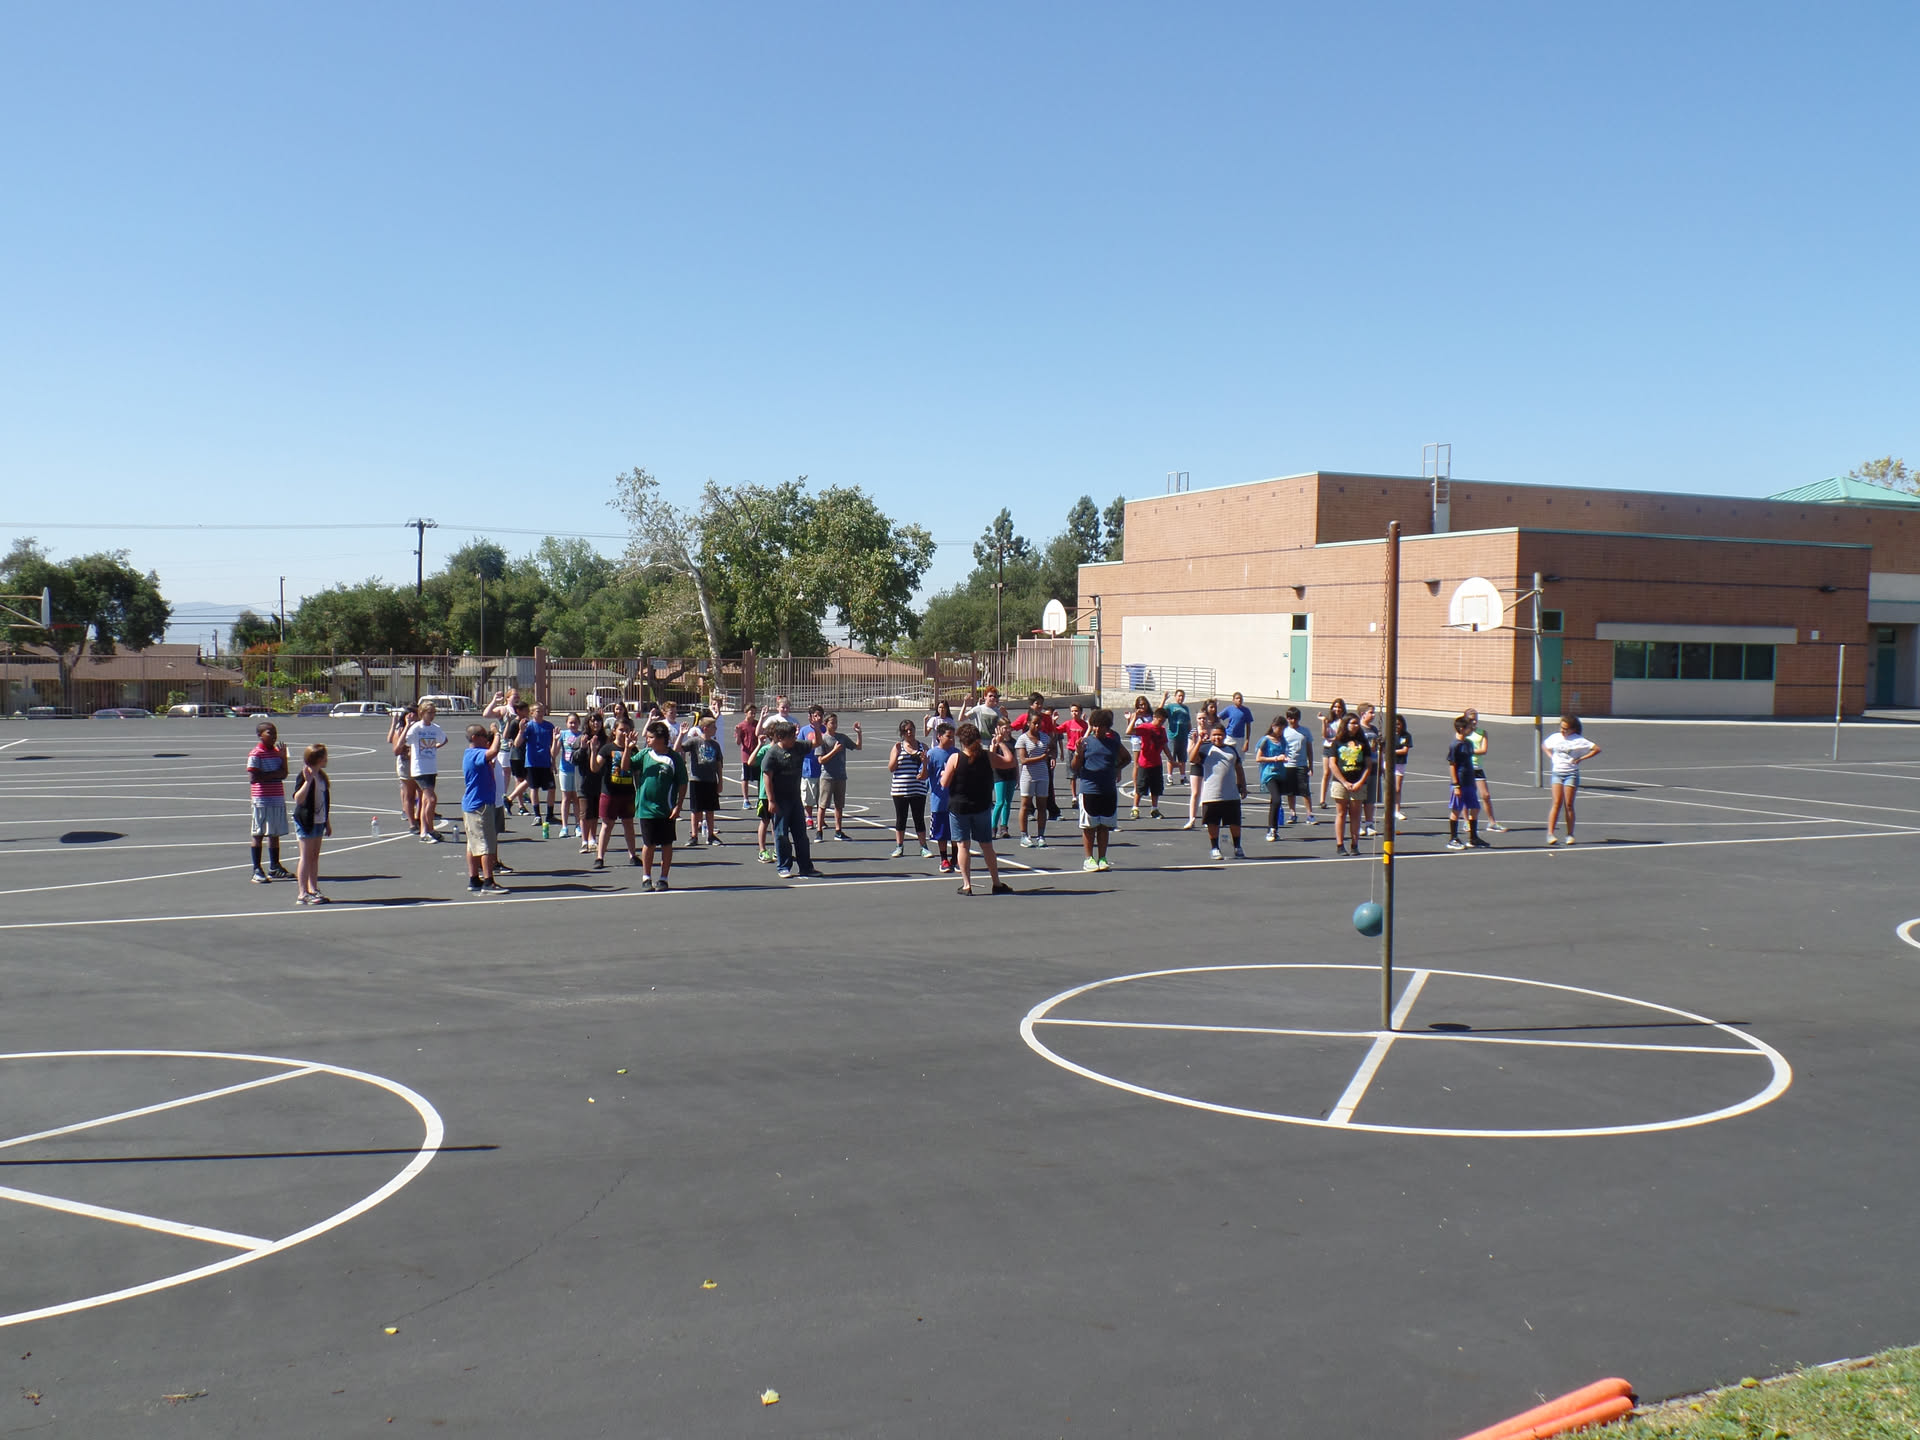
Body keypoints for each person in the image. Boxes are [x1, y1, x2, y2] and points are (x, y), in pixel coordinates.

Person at [942, 722, 1010, 895]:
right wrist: (1002, 743)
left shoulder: (955, 758)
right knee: (987, 846)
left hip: (960, 808)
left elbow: (944, 783)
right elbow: (1010, 762)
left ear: (962, 741)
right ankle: (996, 883)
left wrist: (944, 773)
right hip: (981, 806)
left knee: (963, 845)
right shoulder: (987, 756)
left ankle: (967, 885)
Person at [1071, 707, 1130, 871]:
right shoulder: (1085, 742)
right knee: (1089, 827)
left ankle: (1102, 858)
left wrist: (1117, 769)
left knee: (1104, 826)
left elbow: (1127, 758)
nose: (1097, 729)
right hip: (1089, 790)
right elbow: (1075, 767)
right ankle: (1089, 859)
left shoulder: (1113, 743)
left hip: (1108, 790)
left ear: (1107, 727)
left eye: (1101, 726)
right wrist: (1078, 754)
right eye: (1095, 725)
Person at [760, 719, 821, 879]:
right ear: (780, 737)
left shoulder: (798, 746)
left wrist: (816, 728)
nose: (794, 739)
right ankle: (783, 866)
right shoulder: (773, 754)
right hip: (780, 800)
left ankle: (806, 867)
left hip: (795, 799)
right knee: (781, 834)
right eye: (791, 737)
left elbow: (817, 743)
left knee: (801, 835)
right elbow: (767, 777)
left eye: (794, 736)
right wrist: (771, 801)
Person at [635, 720, 686, 891]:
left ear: (661, 738)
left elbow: (682, 783)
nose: (647, 740)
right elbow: (627, 765)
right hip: (646, 808)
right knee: (649, 844)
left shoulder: (674, 758)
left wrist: (678, 806)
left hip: (666, 809)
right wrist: (627, 748)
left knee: (666, 843)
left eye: (651, 737)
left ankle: (663, 878)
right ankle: (646, 877)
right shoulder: (645, 754)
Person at [461, 721, 509, 893]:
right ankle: (489, 881)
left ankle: (474, 879)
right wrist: (497, 734)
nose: (487, 739)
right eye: (484, 736)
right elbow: (494, 751)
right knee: (486, 844)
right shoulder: (475, 753)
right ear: (475, 737)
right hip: (480, 805)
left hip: (474, 804)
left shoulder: (473, 754)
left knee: (473, 844)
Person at [1190, 720, 1248, 860]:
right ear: (1210, 736)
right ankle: (1215, 848)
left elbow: (1238, 768)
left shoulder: (1231, 749)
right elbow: (1192, 759)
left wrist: (1242, 785)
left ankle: (1237, 846)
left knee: (1235, 822)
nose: (1217, 737)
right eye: (1214, 735)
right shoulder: (1205, 749)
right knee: (1213, 823)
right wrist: (1199, 742)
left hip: (1231, 794)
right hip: (1212, 794)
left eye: (1220, 735)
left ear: (1224, 735)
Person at [246, 720, 293, 884]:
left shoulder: (277, 752)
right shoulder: (256, 753)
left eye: (275, 732)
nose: (274, 736)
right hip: (262, 798)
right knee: (258, 832)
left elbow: (284, 773)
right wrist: (275, 774)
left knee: (274, 833)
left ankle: (274, 866)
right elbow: (254, 777)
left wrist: (283, 759)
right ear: (260, 735)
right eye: (269, 733)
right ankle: (257, 869)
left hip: (276, 796)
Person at [1542, 715, 1600, 845]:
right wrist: (1551, 756)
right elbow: (1544, 745)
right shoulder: (1555, 737)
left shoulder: (1578, 740)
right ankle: (1550, 834)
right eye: (1561, 728)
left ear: (1573, 729)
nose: (1562, 731)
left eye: (1566, 729)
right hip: (1557, 773)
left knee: (1568, 804)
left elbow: (1596, 749)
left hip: (1571, 774)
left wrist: (1580, 759)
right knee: (1556, 802)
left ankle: (1570, 834)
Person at [593, 717, 641, 869]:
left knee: (629, 825)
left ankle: (632, 855)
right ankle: (600, 857)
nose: (624, 733)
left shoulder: (634, 749)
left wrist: (639, 792)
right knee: (607, 825)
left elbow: (637, 773)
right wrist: (593, 751)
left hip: (627, 793)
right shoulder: (607, 749)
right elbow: (595, 767)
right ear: (614, 731)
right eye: (621, 730)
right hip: (610, 792)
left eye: (627, 730)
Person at [1324, 715, 1374, 858]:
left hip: (1358, 782)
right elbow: (1332, 764)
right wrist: (1344, 782)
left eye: (1357, 723)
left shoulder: (1363, 743)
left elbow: (1368, 765)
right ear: (1346, 725)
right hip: (1340, 782)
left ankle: (1354, 844)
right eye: (1352, 723)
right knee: (1341, 813)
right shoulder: (1338, 742)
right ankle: (1340, 844)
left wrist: (1360, 782)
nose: (1355, 725)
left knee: (1356, 814)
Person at [290, 743, 332, 904]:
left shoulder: (321, 776)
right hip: (306, 821)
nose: (327, 759)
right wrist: (307, 782)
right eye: (324, 757)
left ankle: (313, 888)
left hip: (319, 821)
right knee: (306, 857)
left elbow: (324, 801)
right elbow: (298, 799)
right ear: (317, 759)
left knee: (314, 856)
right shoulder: (304, 775)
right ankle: (302, 893)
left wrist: (327, 822)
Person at [403, 701, 450, 842]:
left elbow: (444, 739)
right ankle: (430, 828)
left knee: (425, 801)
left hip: (431, 767)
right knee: (431, 799)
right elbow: (406, 741)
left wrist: (435, 746)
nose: (432, 715)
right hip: (420, 768)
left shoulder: (435, 728)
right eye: (429, 713)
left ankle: (424, 831)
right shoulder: (416, 728)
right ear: (422, 713)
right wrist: (408, 725)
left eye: (434, 712)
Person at [886, 719, 932, 859]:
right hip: (900, 789)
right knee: (901, 818)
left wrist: (925, 762)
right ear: (902, 733)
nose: (909, 732)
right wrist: (897, 755)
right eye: (906, 730)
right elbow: (891, 768)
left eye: (911, 729)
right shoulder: (897, 747)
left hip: (918, 789)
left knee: (919, 818)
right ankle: (899, 846)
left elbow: (927, 771)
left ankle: (923, 847)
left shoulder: (923, 747)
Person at [813, 714, 862, 841]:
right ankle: (819, 831)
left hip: (840, 776)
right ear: (825, 724)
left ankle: (838, 831)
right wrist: (834, 751)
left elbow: (858, 747)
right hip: (827, 777)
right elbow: (821, 760)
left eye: (836, 722)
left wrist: (858, 733)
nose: (834, 725)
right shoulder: (822, 740)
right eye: (832, 723)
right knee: (823, 805)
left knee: (839, 805)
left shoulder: (842, 738)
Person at [682, 713, 724, 847]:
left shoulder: (715, 745)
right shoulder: (695, 741)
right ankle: (694, 836)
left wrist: (720, 781)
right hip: (697, 780)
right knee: (696, 810)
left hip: (710, 780)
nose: (715, 729)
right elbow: (679, 748)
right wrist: (681, 735)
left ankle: (711, 835)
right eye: (713, 727)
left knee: (710, 809)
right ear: (705, 728)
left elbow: (718, 764)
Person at [1015, 711, 1054, 847]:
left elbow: (1052, 748)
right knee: (1025, 806)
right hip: (1028, 776)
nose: (1037, 726)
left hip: (1043, 775)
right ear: (1028, 723)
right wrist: (1042, 758)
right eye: (1034, 723)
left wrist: (1052, 756)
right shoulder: (1023, 739)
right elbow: (1023, 760)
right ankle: (1024, 835)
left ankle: (1041, 835)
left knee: (1042, 806)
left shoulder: (1045, 737)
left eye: (1039, 723)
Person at [1446, 714, 1485, 851]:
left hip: (1469, 781)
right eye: (1469, 727)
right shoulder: (1455, 745)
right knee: (1456, 810)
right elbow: (1452, 765)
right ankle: (1453, 838)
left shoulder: (1468, 743)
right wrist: (1456, 784)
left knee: (1475, 808)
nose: (1472, 729)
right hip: (1460, 782)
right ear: (1462, 729)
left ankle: (1473, 838)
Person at [1463, 708, 1506, 833]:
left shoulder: (1482, 733)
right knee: (1466, 795)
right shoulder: (1463, 733)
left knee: (1485, 795)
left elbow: (1483, 750)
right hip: (1466, 767)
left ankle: (1492, 822)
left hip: (1478, 768)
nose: (1474, 722)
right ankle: (1466, 821)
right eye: (1471, 719)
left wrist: (1469, 751)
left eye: (1476, 719)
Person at [925, 720, 958, 874]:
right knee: (942, 832)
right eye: (948, 736)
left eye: (953, 737)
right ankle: (944, 859)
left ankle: (956, 858)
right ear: (939, 736)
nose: (951, 739)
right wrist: (924, 763)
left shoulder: (957, 753)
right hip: (939, 800)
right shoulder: (932, 754)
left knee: (956, 831)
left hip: (956, 799)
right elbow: (924, 775)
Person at [1127, 704, 1168, 821]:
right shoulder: (1146, 727)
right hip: (1145, 763)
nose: (1161, 723)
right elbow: (1129, 731)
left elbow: (1164, 745)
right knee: (1140, 787)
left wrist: (1171, 759)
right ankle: (1135, 808)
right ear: (1154, 717)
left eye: (1163, 721)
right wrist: (1134, 718)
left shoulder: (1162, 730)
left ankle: (1154, 809)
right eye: (1160, 721)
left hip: (1157, 763)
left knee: (1156, 788)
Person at [520, 702, 558, 827]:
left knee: (552, 789)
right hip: (532, 763)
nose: (541, 713)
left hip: (546, 762)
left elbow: (552, 746)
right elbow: (517, 743)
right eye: (538, 711)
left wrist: (553, 762)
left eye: (542, 710)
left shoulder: (549, 726)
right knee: (534, 788)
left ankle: (550, 815)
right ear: (532, 713)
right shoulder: (529, 726)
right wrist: (521, 731)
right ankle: (537, 815)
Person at [575, 711, 607, 854]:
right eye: (593, 720)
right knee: (585, 812)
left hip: (599, 781)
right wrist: (583, 748)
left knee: (595, 812)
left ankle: (592, 839)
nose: (596, 723)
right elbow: (574, 759)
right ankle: (584, 841)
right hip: (584, 781)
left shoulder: (605, 739)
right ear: (588, 722)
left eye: (598, 721)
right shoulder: (582, 738)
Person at [1281, 707, 1317, 825]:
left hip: (1301, 765)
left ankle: (1309, 814)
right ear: (1287, 719)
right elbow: (1281, 748)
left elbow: (1309, 749)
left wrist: (1310, 765)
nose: (1293, 721)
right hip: (1288, 765)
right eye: (1290, 718)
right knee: (1290, 791)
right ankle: (1292, 813)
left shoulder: (1305, 731)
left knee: (1305, 790)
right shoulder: (1284, 732)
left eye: (1295, 718)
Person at [387, 706, 420, 834]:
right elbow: (396, 750)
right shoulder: (400, 730)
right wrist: (407, 726)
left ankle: (419, 818)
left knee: (423, 794)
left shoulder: (421, 728)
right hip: (406, 764)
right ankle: (412, 822)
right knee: (409, 794)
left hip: (420, 764)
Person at [1256, 715, 1289, 841]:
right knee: (1276, 799)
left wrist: (1284, 758)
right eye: (1279, 728)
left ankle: (1274, 829)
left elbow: (1284, 753)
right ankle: (1271, 829)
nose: (1281, 731)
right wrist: (1275, 758)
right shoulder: (1265, 740)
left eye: (1283, 729)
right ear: (1273, 726)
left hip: (1280, 772)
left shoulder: (1282, 740)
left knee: (1276, 802)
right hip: (1269, 773)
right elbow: (1258, 758)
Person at [797, 705, 827, 830]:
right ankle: (809, 817)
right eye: (815, 716)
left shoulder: (826, 729)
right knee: (808, 796)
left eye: (820, 715)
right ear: (810, 717)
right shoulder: (804, 731)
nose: (818, 718)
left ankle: (821, 819)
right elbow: (798, 747)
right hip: (808, 769)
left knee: (822, 796)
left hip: (824, 769)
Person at [555, 712, 584, 838]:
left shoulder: (582, 735)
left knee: (577, 799)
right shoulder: (563, 735)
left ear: (579, 723)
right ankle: (564, 826)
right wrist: (555, 740)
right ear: (566, 723)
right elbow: (554, 752)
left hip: (578, 770)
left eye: (575, 722)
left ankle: (578, 826)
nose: (573, 725)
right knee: (566, 798)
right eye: (570, 722)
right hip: (565, 770)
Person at [988, 720, 1019, 840]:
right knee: (1000, 802)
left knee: (1007, 802)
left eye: (1008, 728)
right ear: (999, 728)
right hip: (999, 775)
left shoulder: (1013, 742)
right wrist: (995, 744)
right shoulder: (995, 741)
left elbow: (1015, 760)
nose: (1007, 730)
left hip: (1011, 774)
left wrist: (1017, 776)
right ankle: (992, 828)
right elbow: (991, 756)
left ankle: (1004, 827)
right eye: (1005, 728)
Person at [1357, 704, 1383, 838]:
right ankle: (1358, 824)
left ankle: (1369, 823)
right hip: (1361, 766)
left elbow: (1379, 749)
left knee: (1370, 798)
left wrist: (1381, 764)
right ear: (1363, 714)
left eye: (1374, 713)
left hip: (1373, 765)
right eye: (1371, 712)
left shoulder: (1374, 729)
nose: (1373, 715)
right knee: (1359, 797)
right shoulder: (1358, 729)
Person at [1317, 698, 1347, 809]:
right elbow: (1324, 735)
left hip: (1339, 748)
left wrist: (1335, 738)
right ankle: (1322, 800)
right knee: (1326, 773)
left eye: (1339, 707)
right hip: (1328, 747)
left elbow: (1342, 735)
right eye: (1335, 707)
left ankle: (1342, 797)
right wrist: (1324, 722)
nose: (1337, 709)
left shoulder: (1344, 721)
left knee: (1340, 772)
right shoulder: (1329, 720)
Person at [1162, 690, 1193, 785]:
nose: (1181, 698)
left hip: (1183, 736)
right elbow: (1159, 711)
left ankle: (1183, 777)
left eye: (1182, 696)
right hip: (1173, 736)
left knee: (1182, 758)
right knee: (1171, 757)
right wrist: (1164, 699)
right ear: (1175, 696)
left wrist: (1191, 734)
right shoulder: (1170, 707)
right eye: (1179, 696)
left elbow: (1188, 722)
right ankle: (1170, 777)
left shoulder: (1185, 708)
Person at [734, 705, 760, 809]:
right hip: (746, 755)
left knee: (759, 778)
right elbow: (738, 742)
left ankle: (760, 799)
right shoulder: (741, 726)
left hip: (757, 754)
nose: (753, 715)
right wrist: (738, 733)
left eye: (754, 713)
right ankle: (745, 800)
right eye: (751, 713)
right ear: (746, 713)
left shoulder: (757, 724)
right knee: (745, 778)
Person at [1391, 715, 1412, 823]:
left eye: (1399, 724)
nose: (1397, 726)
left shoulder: (1406, 736)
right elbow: (1384, 748)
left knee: (1397, 788)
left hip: (1400, 763)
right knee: (1389, 788)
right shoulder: (1389, 735)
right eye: (1395, 724)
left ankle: (1397, 810)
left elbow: (1404, 750)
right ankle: (1389, 809)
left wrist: (1392, 751)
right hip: (1389, 763)